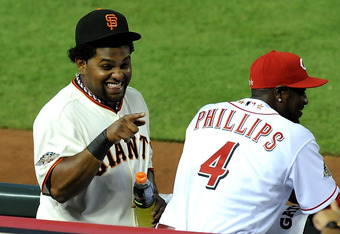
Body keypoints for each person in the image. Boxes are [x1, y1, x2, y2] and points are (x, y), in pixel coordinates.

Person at [158, 50, 339, 233]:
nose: (305, 100)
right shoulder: (295, 136)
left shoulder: (205, 113)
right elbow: (330, 206)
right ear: (280, 93)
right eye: (301, 92)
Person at [33, 8, 166, 227]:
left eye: (124, 64)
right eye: (107, 66)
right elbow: (56, 188)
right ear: (81, 63)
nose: (118, 74)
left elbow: (144, 162)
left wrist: (151, 194)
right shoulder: (59, 114)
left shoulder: (135, 99)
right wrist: (105, 139)